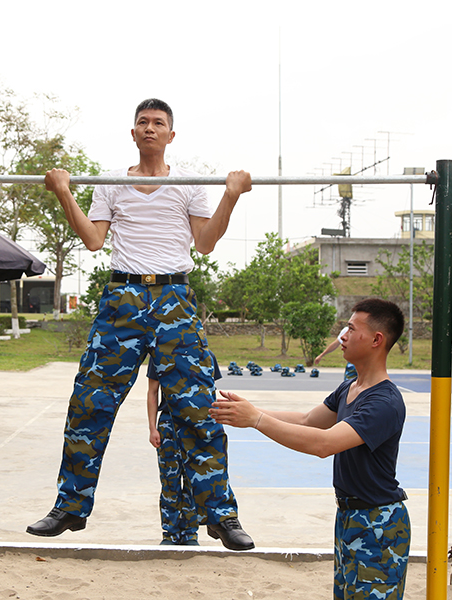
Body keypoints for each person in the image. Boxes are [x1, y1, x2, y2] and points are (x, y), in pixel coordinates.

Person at [26, 98, 254, 550]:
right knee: (90, 402)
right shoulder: (111, 183)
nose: (150, 128)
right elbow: (93, 240)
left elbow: (205, 243)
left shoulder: (188, 184)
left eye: (158, 123)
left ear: (171, 135)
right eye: (143, 122)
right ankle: (70, 507)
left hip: (173, 298)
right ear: (133, 133)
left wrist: (230, 195)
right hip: (123, 298)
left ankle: (220, 515)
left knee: (196, 407)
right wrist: (63, 192)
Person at [211, 298, 409, 599]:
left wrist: (256, 420)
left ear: (376, 340)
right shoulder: (350, 388)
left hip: (378, 523)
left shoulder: (384, 402)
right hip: (350, 517)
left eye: (351, 329)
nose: (343, 336)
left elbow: (324, 444)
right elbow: (307, 420)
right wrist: (246, 411)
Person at [147, 354, 223, 546]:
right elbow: (152, 393)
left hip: (197, 426)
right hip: (169, 424)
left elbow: (210, 393)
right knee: (169, 481)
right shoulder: (159, 356)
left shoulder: (206, 355)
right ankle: (170, 533)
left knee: (193, 481)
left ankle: (190, 533)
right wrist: (152, 428)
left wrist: (211, 426)